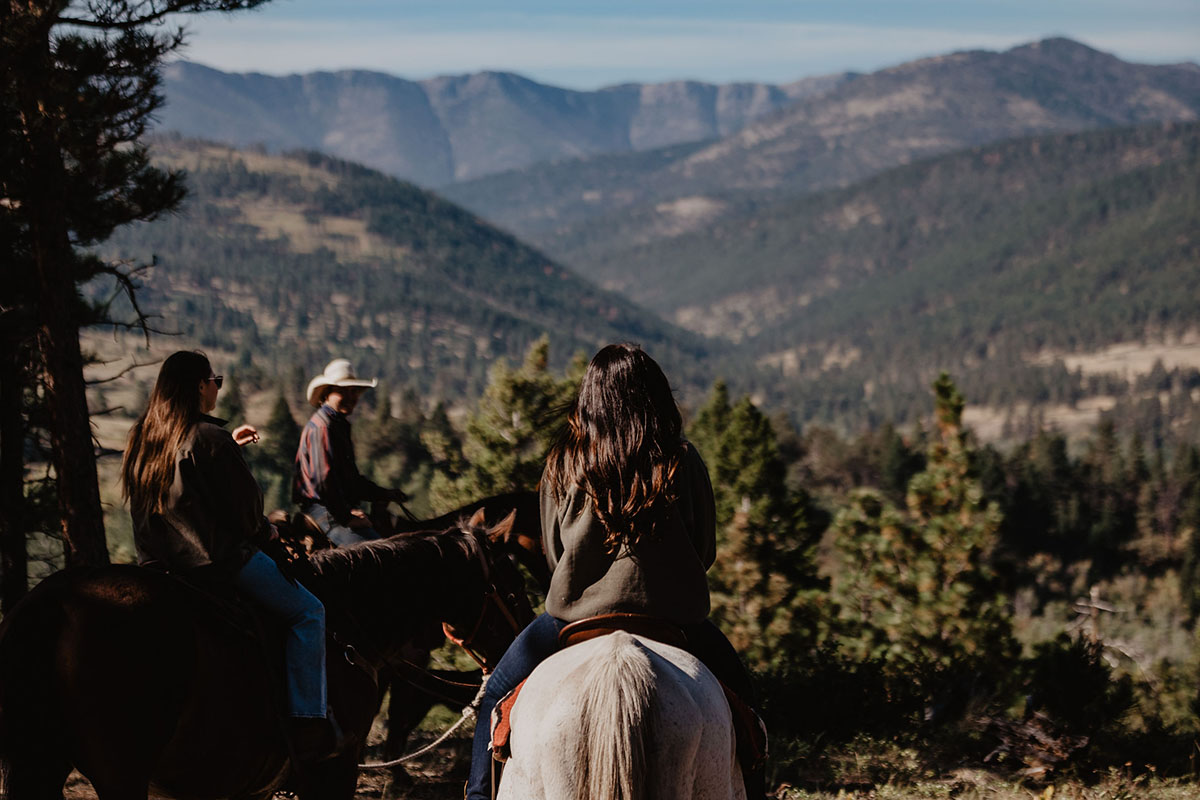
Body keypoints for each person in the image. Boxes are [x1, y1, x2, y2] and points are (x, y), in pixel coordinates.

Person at [465, 342, 762, 800]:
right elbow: (704, 549)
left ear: (590, 398)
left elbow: (552, 552)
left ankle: (478, 796)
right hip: (673, 619)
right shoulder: (681, 460)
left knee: (493, 702)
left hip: (572, 619)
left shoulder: (564, 463)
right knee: (749, 714)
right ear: (654, 396)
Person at [121, 350, 334, 757]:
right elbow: (247, 516)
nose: (217, 387)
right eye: (214, 380)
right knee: (310, 613)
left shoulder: (143, 436)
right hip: (217, 563)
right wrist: (271, 533)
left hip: (157, 567)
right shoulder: (209, 439)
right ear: (200, 386)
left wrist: (227, 447)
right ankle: (308, 724)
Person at [293, 358, 404, 547]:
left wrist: (383, 494)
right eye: (343, 391)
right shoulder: (323, 427)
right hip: (323, 510)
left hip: (334, 507)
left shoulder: (337, 425)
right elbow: (324, 480)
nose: (351, 396)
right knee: (382, 552)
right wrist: (345, 516)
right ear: (327, 394)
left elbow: (351, 480)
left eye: (354, 391)